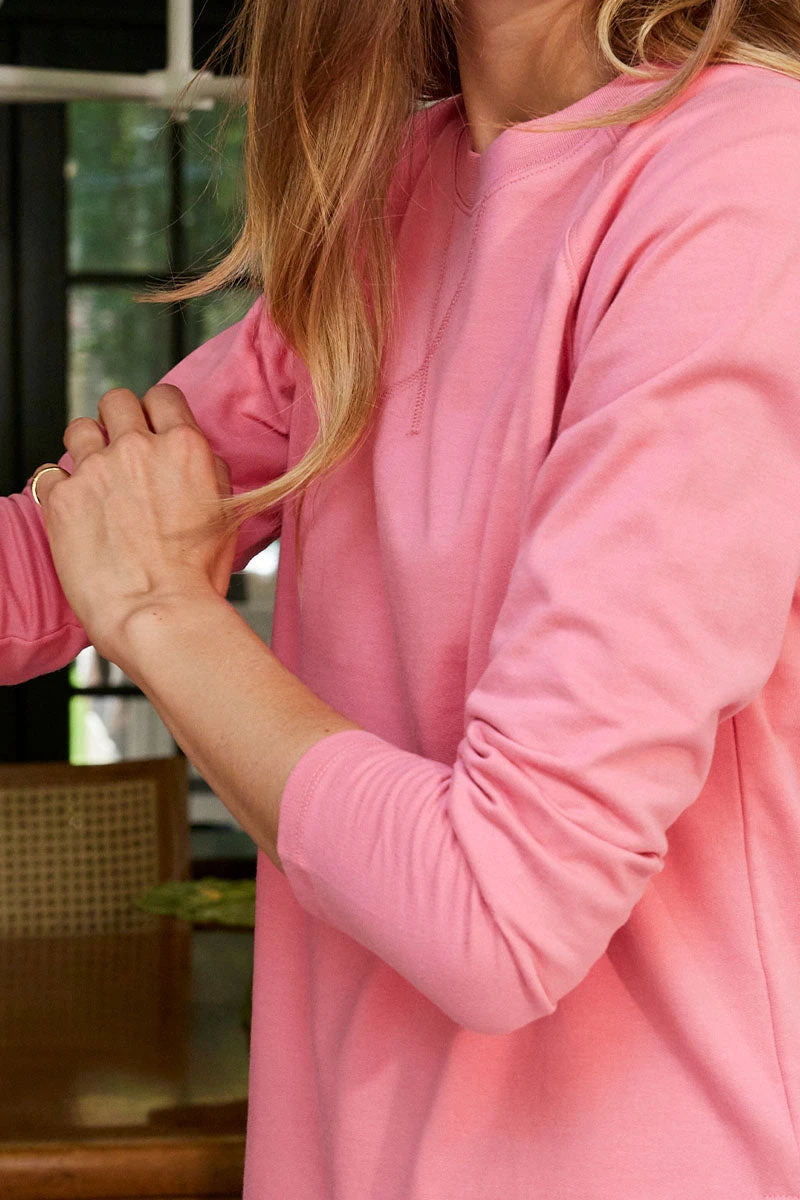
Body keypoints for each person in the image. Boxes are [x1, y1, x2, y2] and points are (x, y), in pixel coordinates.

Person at [3, 0, 800, 1193]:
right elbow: (50, 565)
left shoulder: (745, 181)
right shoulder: (395, 200)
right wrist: (124, 575)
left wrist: (161, 615)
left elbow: (500, 913)